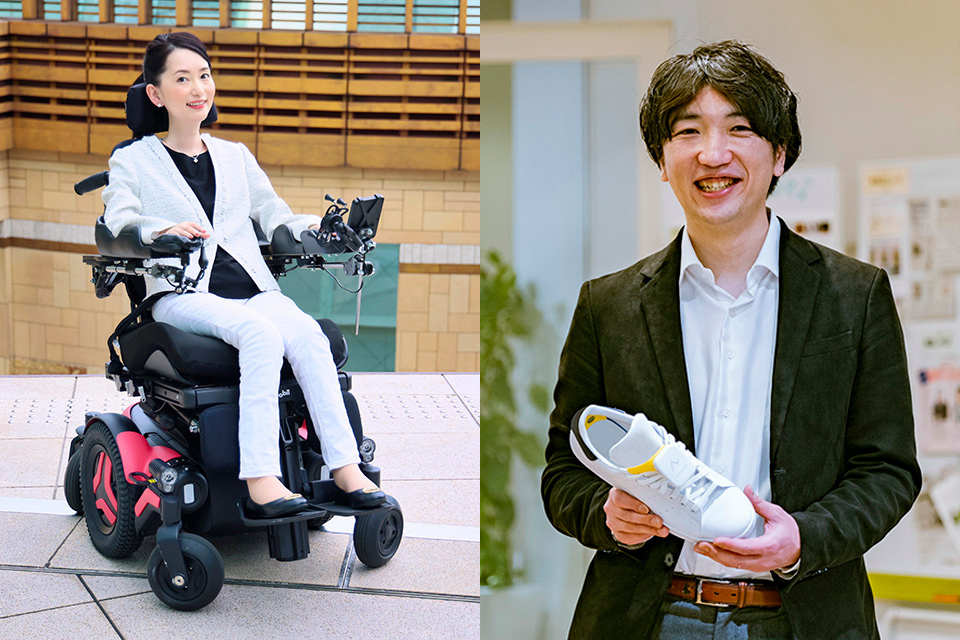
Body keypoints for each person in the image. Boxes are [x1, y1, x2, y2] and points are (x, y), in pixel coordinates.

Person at [541, 40, 921, 639]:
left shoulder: (855, 294)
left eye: (739, 128)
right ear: (663, 160)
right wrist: (606, 514)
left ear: (779, 153)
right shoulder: (607, 305)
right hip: (646, 617)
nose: (712, 154)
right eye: (688, 131)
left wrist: (803, 537)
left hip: (803, 619)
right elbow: (564, 470)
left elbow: (889, 470)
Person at [102, 32, 385, 518]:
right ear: (156, 94)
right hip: (182, 291)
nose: (198, 88)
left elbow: (275, 214)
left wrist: (323, 229)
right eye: (183, 78)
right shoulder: (133, 159)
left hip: (253, 289)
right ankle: (259, 480)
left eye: (205, 75)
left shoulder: (235, 155)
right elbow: (118, 222)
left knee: (310, 337)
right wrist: (160, 229)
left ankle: (344, 469)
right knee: (260, 336)